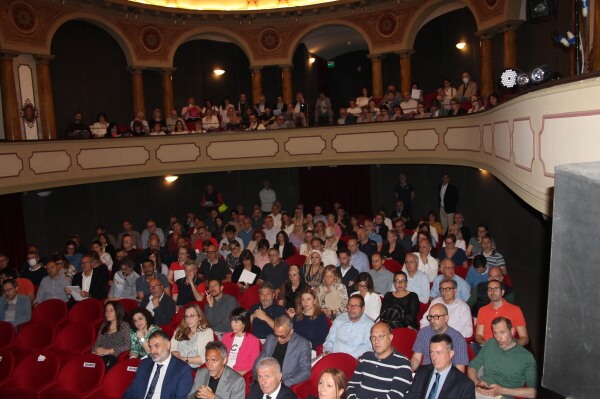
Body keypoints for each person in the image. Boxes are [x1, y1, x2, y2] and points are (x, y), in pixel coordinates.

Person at [468, 317, 537, 399]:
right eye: (495, 333)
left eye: (502, 332)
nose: (498, 337)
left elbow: (533, 392)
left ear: (512, 331)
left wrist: (502, 390)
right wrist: (477, 383)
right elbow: (473, 365)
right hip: (481, 391)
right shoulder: (490, 344)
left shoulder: (526, 357)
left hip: (502, 396)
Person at [346, 322, 413, 399]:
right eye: (373, 337)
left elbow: (395, 395)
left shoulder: (402, 364)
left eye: (380, 336)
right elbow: (352, 385)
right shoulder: (365, 358)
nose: (376, 341)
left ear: (390, 338)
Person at [123, 330, 193, 399]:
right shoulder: (145, 363)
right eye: (150, 347)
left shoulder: (183, 370)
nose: (152, 351)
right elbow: (132, 391)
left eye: (157, 346)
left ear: (168, 345)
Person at [405, 333, 475, 399]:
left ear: (451, 354)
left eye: (438, 352)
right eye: (431, 352)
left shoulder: (464, 385)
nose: (434, 357)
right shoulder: (422, 372)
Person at [253, 315, 311, 386]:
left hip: (284, 382)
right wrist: (258, 378)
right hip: (265, 379)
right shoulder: (270, 338)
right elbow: (259, 361)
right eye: (276, 335)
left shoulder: (302, 344)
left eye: (282, 336)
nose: (278, 339)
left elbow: (305, 371)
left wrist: (284, 383)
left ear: (291, 331)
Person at [410, 303, 469, 372]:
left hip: (447, 378)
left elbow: (460, 370)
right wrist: (408, 373)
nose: (432, 321)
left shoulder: (458, 339)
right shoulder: (423, 332)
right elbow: (416, 358)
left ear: (446, 318)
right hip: (426, 375)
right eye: (430, 317)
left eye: (436, 317)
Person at [474, 280, 529, 348]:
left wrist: (511, 347)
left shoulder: (515, 310)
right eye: (490, 289)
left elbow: (524, 337)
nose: (492, 292)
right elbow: (478, 335)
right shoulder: (482, 310)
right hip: (488, 347)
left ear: (502, 292)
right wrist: (485, 344)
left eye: (496, 289)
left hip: (507, 348)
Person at [171, 304, 214, 368]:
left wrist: (185, 359)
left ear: (199, 317)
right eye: (186, 316)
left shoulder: (207, 332)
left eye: (192, 316)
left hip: (194, 368)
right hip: (177, 365)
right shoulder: (179, 331)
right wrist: (173, 353)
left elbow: (207, 356)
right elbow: (170, 349)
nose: (188, 319)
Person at [92, 301, 131, 370]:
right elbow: (97, 343)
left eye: (111, 310)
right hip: (100, 356)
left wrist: (109, 351)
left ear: (118, 311)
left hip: (113, 357)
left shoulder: (124, 325)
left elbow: (128, 345)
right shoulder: (104, 325)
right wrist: (96, 350)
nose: (108, 313)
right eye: (106, 310)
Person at [222, 307, 261, 375]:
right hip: (223, 371)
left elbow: (253, 366)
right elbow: (220, 357)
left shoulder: (254, 341)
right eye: (232, 321)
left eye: (237, 321)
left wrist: (237, 374)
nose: (233, 324)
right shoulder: (226, 337)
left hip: (239, 374)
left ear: (244, 323)